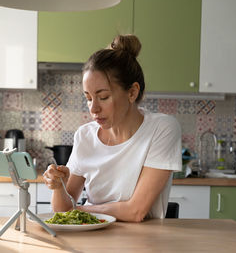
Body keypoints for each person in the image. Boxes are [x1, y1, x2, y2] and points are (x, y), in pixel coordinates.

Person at [43, 34, 182, 222]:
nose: (94, 109)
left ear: (132, 92)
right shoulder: (85, 136)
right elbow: (63, 210)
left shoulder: (162, 128)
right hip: (93, 239)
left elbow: (136, 212)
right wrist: (59, 187)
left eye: (103, 97)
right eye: (88, 98)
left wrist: (82, 210)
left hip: (144, 243)